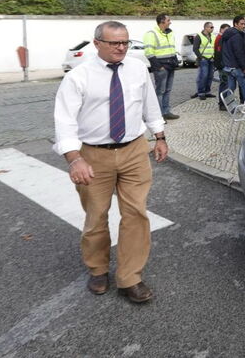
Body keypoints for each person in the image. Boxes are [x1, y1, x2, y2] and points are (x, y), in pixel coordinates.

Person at [53, 21, 169, 304]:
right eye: (114, 43)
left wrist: (160, 136)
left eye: (125, 42)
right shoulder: (78, 77)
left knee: (136, 214)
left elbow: (149, 104)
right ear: (97, 43)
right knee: (96, 216)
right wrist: (74, 159)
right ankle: (98, 268)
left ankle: (130, 277)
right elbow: (64, 121)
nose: (121, 48)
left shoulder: (138, 68)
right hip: (93, 155)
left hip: (134, 151)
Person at [143, 14, 179, 120]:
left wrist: (175, 62)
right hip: (161, 67)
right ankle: (158, 116)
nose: (170, 22)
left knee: (168, 90)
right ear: (162, 21)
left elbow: (172, 49)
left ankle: (166, 112)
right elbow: (149, 52)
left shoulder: (170, 33)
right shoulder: (151, 34)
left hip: (171, 66)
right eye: (168, 20)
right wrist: (159, 67)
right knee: (160, 91)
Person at [219, 15, 245, 110]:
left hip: (228, 66)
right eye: (241, 24)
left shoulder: (226, 34)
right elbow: (239, 52)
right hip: (236, 67)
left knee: (231, 88)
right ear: (235, 24)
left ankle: (231, 107)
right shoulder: (236, 35)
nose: (244, 26)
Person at [191, 22, 215, 100]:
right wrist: (201, 57)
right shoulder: (199, 36)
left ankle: (207, 92)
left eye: (213, 27)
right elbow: (195, 48)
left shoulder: (213, 36)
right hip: (203, 59)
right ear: (206, 28)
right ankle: (201, 92)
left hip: (211, 59)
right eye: (211, 27)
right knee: (203, 76)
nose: (212, 29)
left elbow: (213, 47)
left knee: (210, 76)